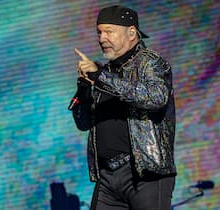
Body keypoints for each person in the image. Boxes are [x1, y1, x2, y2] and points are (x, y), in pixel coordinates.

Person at [70, 5, 177, 210]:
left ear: (131, 32)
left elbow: (156, 98)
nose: (102, 38)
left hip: (144, 174)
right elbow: (84, 123)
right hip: (108, 176)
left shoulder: (151, 62)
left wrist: (100, 77)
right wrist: (83, 88)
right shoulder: (105, 72)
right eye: (99, 32)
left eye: (109, 31)